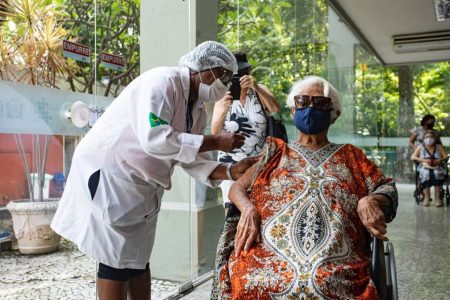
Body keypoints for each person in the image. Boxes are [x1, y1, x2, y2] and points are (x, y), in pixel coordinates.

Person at [51, 41, 259, 300]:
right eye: (224, 77)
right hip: (114, 176)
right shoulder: (162, 83)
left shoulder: (196, 110)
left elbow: (191, 158)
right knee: (114, 261)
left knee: (138, 260)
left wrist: (232, 170)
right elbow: (155, 137)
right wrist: (217, 141)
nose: (226, 85)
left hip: (142, 187)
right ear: (207, 70)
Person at [211, 76, 398, 299]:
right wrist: (248, 209)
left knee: (321, 283)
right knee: (249, 280)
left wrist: (371, 200)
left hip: (335, 261)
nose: (310, 108)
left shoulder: (352, 157)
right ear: (292, 111)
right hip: (266, 255)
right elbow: (237, 188)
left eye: (320, 103)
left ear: (334, 115)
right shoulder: (274, 152)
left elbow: (386, 187)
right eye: (302, 101)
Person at [210, 52, 280, 212]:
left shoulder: (259, 90)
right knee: (231, 212)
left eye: (243, 73)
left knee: (259, 210)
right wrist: (224, 110)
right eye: (236, 74)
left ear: (249, 72)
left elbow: (275, 109)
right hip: (230, 164)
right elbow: (215, 133)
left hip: (259, 163)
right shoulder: (223, 96)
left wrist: (255, 87)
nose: (240, 77)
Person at [411, 130, 448, 207]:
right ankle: (426, 198)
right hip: (424, 166)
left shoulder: (438, 147)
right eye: (427, 137)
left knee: (437, 174)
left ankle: (437, 198)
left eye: (431, 137)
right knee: (425, 174)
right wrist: (424, 160)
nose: (429, 138)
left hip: (437, 166)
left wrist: (439, 160)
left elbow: (446, 156)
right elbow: (413, 157)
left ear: (434, 138)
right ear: (424, 138)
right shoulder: (421, 147)